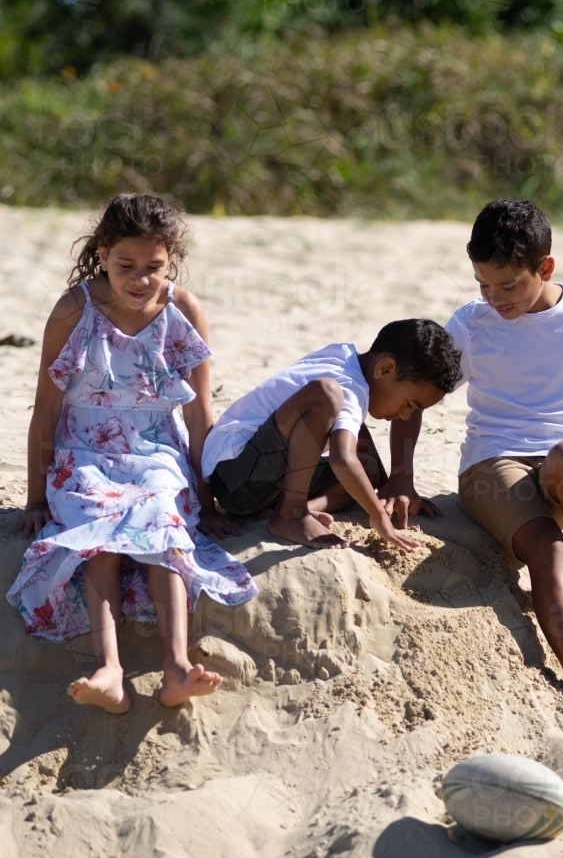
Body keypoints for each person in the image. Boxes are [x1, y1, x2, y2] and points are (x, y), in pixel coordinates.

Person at [388, 199, 563, 719]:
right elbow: (417, 395)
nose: (494, 298)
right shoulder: (471, 323)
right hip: (492, 466)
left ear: (545, 267)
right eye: (483, 284)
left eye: (507, 285)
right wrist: (401, 475)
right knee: (550, 555)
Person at [7, 194, 258, 714]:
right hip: (84, 450)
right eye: (126, 265)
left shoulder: (182, 311)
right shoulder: (74, 310)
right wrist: (35, 500)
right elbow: (46, 410)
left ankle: (177, 668)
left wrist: (207, 503)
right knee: (100, 527)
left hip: (158, 451)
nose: (140, 279)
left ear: (171, 261)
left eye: (154, 267)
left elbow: (198, 415)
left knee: (161, 519)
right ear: (102, 253)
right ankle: (110, 669)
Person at [202, 319, 463, 551]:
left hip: (257, 482)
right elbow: (342, 459)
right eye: (409, 404)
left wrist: (385, 489)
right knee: (325, 395)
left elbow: (353, 449)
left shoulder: (345, 358)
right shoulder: (347, 385)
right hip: (235, 475)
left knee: (367, 471)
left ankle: (280, 512)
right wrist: (379, 518)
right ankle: (291, 515)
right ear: (384, 369)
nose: (405, 416)